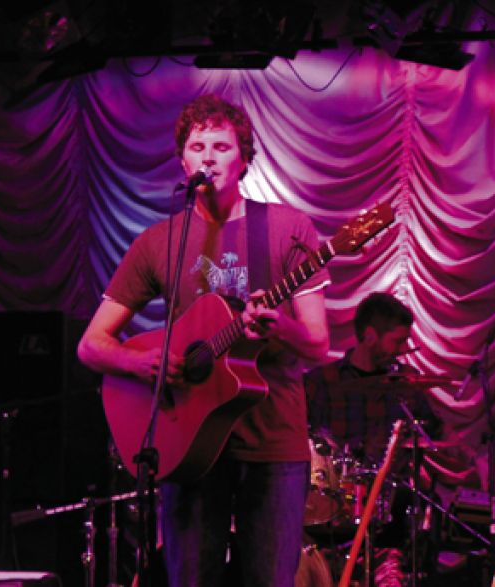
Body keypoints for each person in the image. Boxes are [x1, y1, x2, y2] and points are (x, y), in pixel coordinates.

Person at [77, 93, 330, 587]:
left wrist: (280, 326)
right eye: (197, 147)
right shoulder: (159, 241)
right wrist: (139, 364)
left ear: (244, 159)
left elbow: (318, 344)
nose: (208, 157)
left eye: (221, 146)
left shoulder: (287, 228)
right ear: (182, 161)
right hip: (187, 444)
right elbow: (91, 345)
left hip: (272, 443)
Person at [304, 292, 441, 586]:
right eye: (397, 341)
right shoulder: (321, 383)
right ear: (369, 336)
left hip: (389, 506)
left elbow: (434, 434)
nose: (403, 350)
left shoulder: (406, 385)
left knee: (430, 509)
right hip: (331, 502)